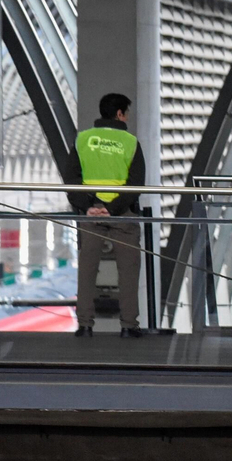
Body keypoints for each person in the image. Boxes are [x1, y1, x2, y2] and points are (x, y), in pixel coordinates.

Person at [68, 92, 147, 338]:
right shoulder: (130, 142)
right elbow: (137, 183)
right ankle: (128, 325)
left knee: (88, 268)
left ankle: (84, 325)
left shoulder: (83, 139)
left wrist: (90, 204)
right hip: (122, 214)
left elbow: (71, 179)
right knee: (128, 271)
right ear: (120, 113)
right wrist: (112, 208)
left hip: (91, 213)